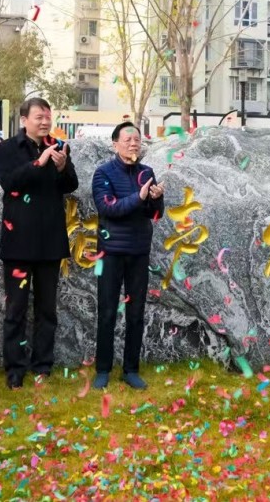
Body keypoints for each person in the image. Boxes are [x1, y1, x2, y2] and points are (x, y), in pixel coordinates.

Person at [0, 97, 79, 390]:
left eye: (48, 117)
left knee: (47, 309)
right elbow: (10, 183)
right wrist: (38, 162)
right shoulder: (6, 149)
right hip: (18, 241)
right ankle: (14, 368)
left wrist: (63, 166)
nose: (45, 122)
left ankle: (42, 364)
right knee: (15, 309)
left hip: (50, 240)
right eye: (39, 117)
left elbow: (71, 185)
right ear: (23, 120)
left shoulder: (58, 146)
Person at [92, 122, 165, 390]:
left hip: (138, 251)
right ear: (115, 144)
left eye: (137, 140)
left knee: (136, 312)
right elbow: (107, 207)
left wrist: (156, 198)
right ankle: (103, 369)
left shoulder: (147, 172)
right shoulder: (103, 174)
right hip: (109, 253)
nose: (134, 144)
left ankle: (131, 369)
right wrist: (140, 196)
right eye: (128, 140)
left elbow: (155, 215)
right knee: (107, 311)